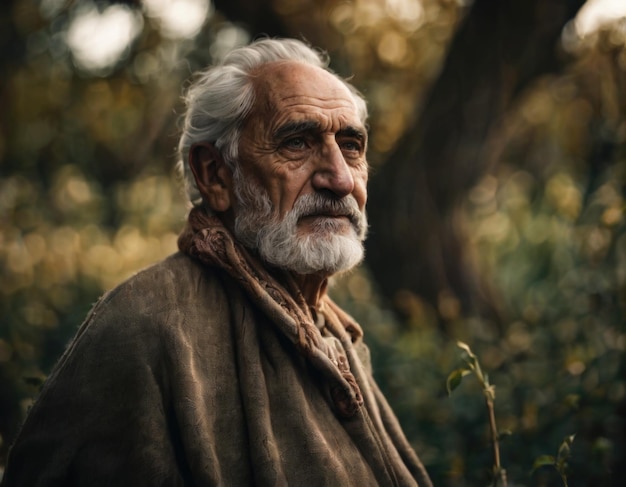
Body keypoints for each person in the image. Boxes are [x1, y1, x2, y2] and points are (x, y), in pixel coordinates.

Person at [2, 38, 433, 487]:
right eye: (297, 143)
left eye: (350, 145)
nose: (340, 179)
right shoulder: (146, 326)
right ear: (215, 175)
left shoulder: (334, 331)